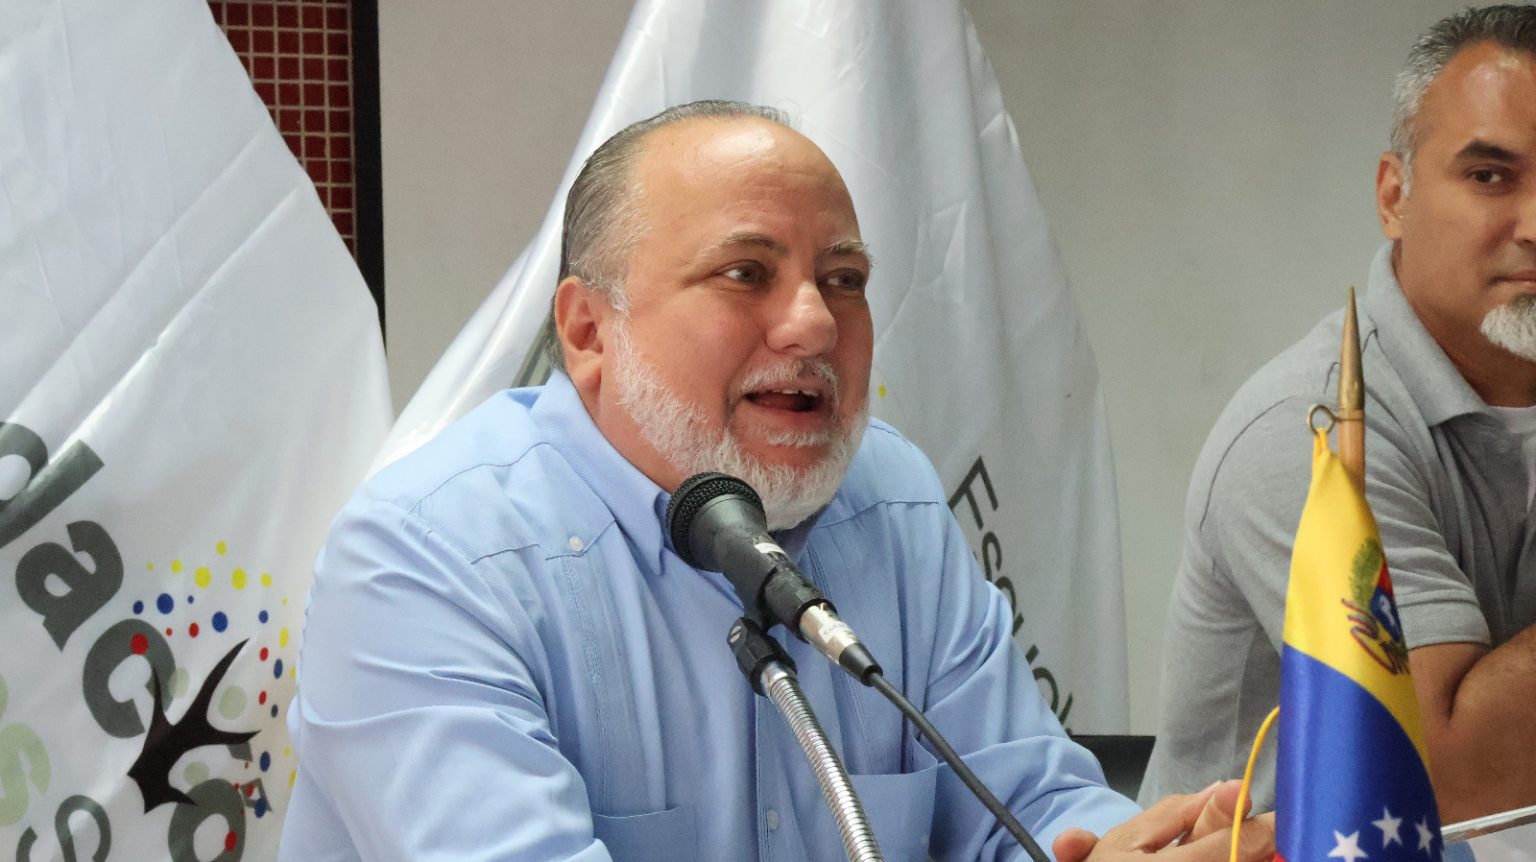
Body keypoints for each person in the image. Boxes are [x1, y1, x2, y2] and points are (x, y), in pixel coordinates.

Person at [279, 100, 1272, 861]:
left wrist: (1120, 849)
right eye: (746, 274)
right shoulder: (424, 560)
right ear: (588, 331)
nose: (815, 324)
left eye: (844, 280)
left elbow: (1024, 803)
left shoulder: (892, 500)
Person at [1142, 5, 1536, 825]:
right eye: (1490, 176)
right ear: (1394, 196)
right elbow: (1442, 780)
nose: (1534, 226)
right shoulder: (1312, 428)